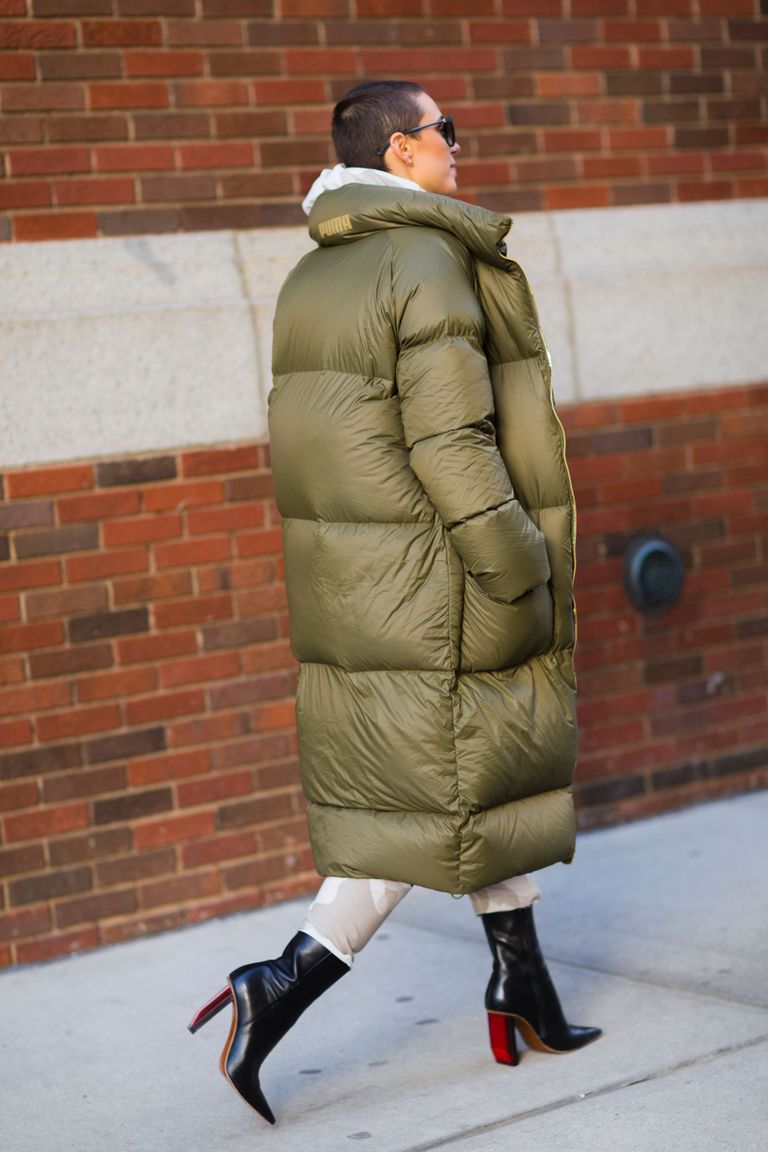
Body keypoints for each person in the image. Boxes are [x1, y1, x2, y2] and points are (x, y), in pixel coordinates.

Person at [188, 79, 601, 1125]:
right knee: (437, 798)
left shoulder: (319, 270)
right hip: (447, 578)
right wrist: (520, 566)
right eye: (447, 132)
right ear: (403, 149)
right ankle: (277, 985)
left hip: (371, 582)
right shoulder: (425, 255)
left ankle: (527, 991)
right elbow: (451, 444)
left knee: (472, 774)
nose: (460, 150)